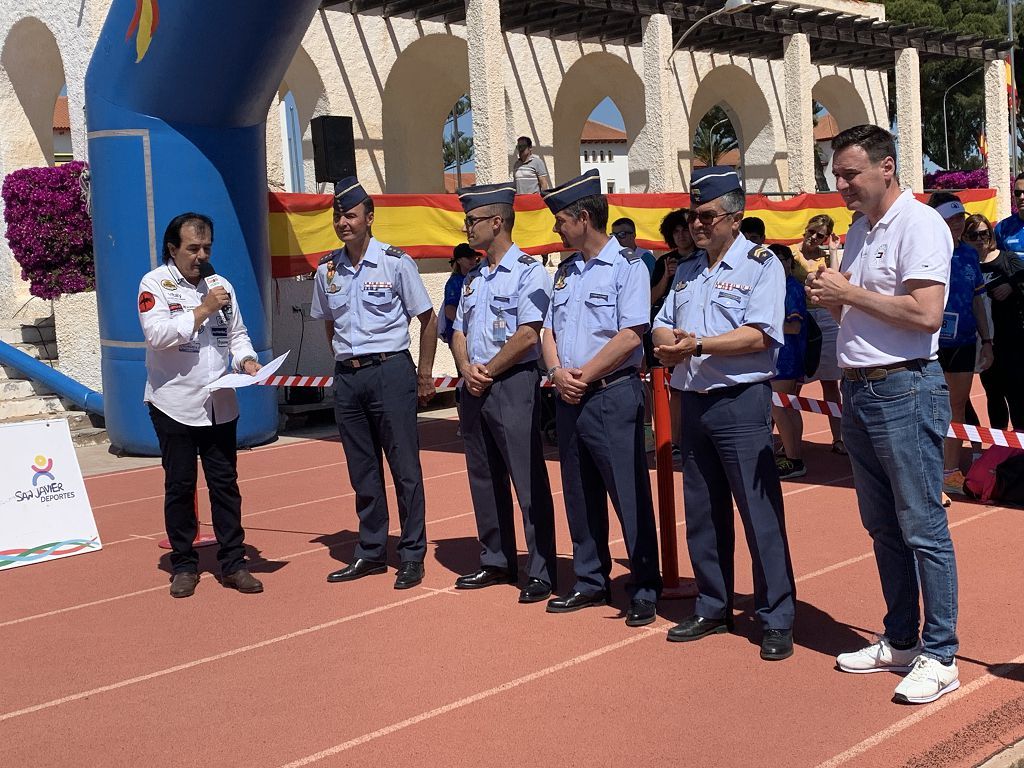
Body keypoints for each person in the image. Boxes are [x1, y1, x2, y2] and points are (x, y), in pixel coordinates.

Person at [807, 124, 959, 704]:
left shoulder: (917, 225)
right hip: (862, 389)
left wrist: (847, 295)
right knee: (882, 525)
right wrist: (834, 292)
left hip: (905, 387)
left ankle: (940, 653)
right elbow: (865, 307)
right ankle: (900, 638)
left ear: (887, 167)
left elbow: (925, 315)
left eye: (849, 173)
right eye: (836, 174)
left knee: (922, 525)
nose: (839, 183)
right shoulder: (861, 229)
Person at [652, 167, 796, 662]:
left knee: (759, 514)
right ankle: (713, 605)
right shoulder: (688, 269)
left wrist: (697, 346)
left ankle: (776, 616)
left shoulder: (762, 265)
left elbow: (760, 334)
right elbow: (661, 324)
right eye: (694, 215)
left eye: (707, 215)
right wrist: (668, 345)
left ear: (734, 218)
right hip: (693, 402)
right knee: (703, 513)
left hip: (739, 401)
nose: (696, 224)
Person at [540, 168, 662, 626]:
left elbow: (632, 335)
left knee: (628, 493)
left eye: (562, 220)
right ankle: (590, 580)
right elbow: (548, 329)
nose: (556, 228)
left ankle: (645, 585)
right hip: (569, 395)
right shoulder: (566, 271)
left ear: (585, 217)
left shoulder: (628, 267)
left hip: (610, 393)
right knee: (578, 491)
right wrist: (556, 372)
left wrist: (583, 377)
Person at [310, 177, 438, 590]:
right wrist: (349, 358)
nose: (342, 223)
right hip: (348, 378)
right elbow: (329, 324)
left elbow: (428, 319)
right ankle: (370, 550)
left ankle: (412, 554)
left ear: (369, 218)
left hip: (390, 372)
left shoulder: (396, 262)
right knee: (362, 469)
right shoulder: (326, 269)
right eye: (337, 216)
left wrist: (422, 375)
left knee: (405, 469)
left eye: (350, 215)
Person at [138, 212, 264, 599]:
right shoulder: (154, 284)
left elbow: (237, 335)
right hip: (174, 403)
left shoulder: (221, 285)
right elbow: (157, 335)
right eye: (193, 248)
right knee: (179, 485)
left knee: (225, 485)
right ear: (172, 249)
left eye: (207, 247)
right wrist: (203, 309)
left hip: (220, 404)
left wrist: (247, 360)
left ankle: (233, 563)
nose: (201, 255)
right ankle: (184, 564)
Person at [449, 182, 558, 602]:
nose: (467, 228)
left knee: (526, 478)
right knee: (483, 476)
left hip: (512, 383)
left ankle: (542, 568)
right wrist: (465, 368)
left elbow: (529, 334)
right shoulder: (473, 278)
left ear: (497, 222)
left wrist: (487, 371)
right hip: (475, 384)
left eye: (472, 221)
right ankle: (495, 558)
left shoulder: (529, 272)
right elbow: (456, 329)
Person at [927, 194, 992, 496]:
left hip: (964, 341)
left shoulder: (968, 254)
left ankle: (950, 471)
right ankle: (927, 467)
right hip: (928, 343)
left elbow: (978, 299)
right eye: (949, 218)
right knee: (927, 406)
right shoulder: (922, 250)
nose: (956, 224)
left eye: (959, 219)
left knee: (956, 405)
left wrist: (987, 339)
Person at [794, 213, 846, 455]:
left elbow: (835, 281)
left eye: (820, 235)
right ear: (805, 229)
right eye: (811, 232)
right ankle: (789, 439)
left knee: (830, 382)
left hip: (826, 319)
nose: (814, 238)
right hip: (799, 320)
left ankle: (839, 438)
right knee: (793, 384)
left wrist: (834, 250)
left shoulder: (826, 257)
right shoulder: (791, 253)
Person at [967, 213, 1024, 429]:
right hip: (984, 342)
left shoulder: (1008, 259)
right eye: (973, 235)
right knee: (994, 395)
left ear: (991, 236)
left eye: (984, 233)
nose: (980, 239)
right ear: (965, 238)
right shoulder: (967, 266)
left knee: (1018, 395)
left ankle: (1019, 452)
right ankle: (999, 450)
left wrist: (1011, 285)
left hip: (1013, 340)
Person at [769, 244, 808, 479]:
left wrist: (762, 329)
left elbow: (794, 326)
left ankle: (794, 459)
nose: (779, 264)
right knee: (787, 408)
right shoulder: (775, 287)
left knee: (779, 408)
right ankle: (791, 452)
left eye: (782, 259)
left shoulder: (791, 289)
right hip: (779, 357)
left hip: (787, 358)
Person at [439, 243, 481, 346]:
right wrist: (468, 328)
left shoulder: (479, 278)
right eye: (468, 257)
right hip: (459, 334)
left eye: (474, 256)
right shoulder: (454, 282)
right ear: (458, 260)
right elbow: (449, 310)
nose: (473, 259)